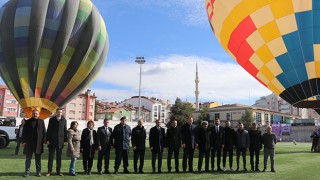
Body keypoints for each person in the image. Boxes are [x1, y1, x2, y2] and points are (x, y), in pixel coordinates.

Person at [22, 109, 46, 177]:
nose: (35, 115)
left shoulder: (41, 121)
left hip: (38, 144)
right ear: (32, 114)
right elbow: (24, 133)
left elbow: (44, 131)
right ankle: (27, 172)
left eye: (36, 114)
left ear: (38, 114)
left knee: (38, 160)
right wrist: (24, 141)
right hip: (29, 144)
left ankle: (38, 172)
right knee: (28, 160)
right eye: (34, 113)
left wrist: (44, 141)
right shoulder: (28, 122)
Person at [46, 108, 68, 176]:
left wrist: (65, 140)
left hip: (60, 142)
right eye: (58, 112)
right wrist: (47, 139)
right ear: (56, 112)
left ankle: (58, 171)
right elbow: (49, 130)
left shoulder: (64, 120)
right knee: (51, 157)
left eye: (61, 112)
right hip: (52, 141)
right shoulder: (51, 119)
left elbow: (65, 130)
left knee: (59, 157)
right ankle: (49, 171)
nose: (59, 113)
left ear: (62, 113)